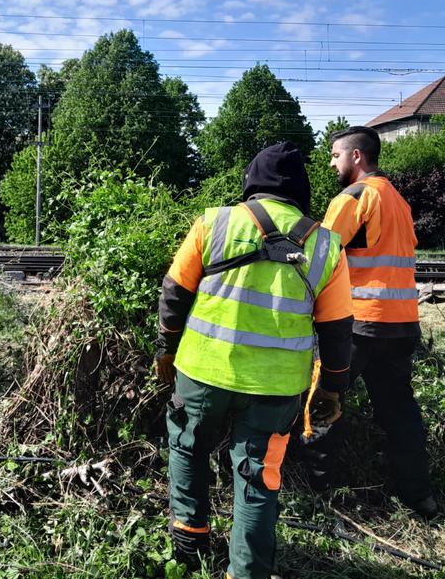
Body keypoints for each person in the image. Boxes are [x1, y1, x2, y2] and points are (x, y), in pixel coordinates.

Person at [155, 142, 354, 579]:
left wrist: (165, 349)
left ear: (251, 182)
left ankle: (189, 545)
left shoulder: (215, 222)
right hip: (277, 388)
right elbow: (338, 331)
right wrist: (332, 387)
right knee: (258, 478)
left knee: (188, 449)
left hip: (203, 372)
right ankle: (246, 573)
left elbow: (174, 293)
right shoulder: (326, 246)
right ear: (300, 191)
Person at [318, 125, 436, 517]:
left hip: (359, 324)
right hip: (401, 323)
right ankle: (419, 496)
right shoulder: (397, 200)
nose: (331, 162)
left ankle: (319, 495)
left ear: (356, 156)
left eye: (335, 155)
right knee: (399, 411)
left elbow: (321, 258)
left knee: (323, 403)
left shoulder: (355, 196)